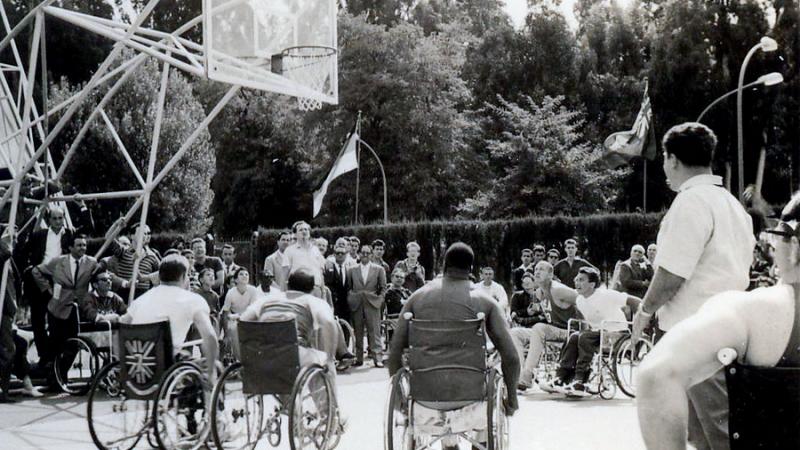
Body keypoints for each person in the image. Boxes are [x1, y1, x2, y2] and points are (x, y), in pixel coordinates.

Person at [637, 192, 800, 450]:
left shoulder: (753, 311)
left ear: (793, 248)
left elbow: (655, 376)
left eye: (776, 238)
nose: (771, 246)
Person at [631, 122, 755, 450]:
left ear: (672, 159)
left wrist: (644, 311)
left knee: (715, 434)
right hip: (729, 325)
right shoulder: (732, 205)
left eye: (665, 162)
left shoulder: (690, 202)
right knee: (708, 433)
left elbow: (672, 273)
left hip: (694, 333)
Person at [387, 242, 519, 450]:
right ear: (471, 269)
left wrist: (401, 402)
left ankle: (449, 444)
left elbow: (394, 353)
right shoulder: (485, 301)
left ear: (443, 265)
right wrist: (512, 399)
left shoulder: (416, 298)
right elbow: (511, 357)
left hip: (424, 398)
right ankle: (478, 444)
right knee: (489, 379)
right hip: (471, 397)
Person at [120, 254, 218, 385]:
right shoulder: (193, 300)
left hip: (137, 367)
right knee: (212, 367)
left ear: (160, 276)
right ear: (184, 277)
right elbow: (210, 337)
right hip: (167, 366)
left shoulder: (141, 300)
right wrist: (211, 373)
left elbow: (121, 325)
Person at [544, 267, 640, 397]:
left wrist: (638, 326)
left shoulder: (606, 294)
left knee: (584, 338)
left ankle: (580, 380)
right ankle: (561, 377)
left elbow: (635, 301)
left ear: (592, 284)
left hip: (617, 333)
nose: (577, 282)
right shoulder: (580, 300)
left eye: (581, 280)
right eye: (576, 279)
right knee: (574, 337)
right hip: (598, 334)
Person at [32, 233, 99, 392]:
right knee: (55, 345)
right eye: (79, 245)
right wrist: (48, 291)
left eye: (84, 245)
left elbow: (102, 274)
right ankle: (54, 379)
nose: (82, 248)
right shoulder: (58, 261)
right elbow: (36, 271)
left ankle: (60, 376)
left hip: (77, 308)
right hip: (57, 308)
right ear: (70, 247)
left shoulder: (91, 262)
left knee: (74, 344)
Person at [510, 260, 580, 391]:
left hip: (570, 331)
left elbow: (584, 299)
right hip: (553, 329)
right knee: (515, 333)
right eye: (536, 269)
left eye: (541, 269)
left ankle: (527, 374)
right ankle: (521, 373)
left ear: (550, 274)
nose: (537, 271)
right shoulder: (538, 293)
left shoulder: (559, 290)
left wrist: (586, 326)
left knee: (539, 328)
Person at [347, 245, 386, 367]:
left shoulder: (379, 269)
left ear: (371, 255)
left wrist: (379, 300)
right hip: (357, 302)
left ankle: (377, 358)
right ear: (359, 254)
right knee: (358, 330)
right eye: (362, 252)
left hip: (372, 302)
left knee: (374, 330)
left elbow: (383, 287)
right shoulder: (352, 269)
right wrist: (351, 297)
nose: (365, 255)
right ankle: (358, 358)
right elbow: (349, 286)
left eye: (367, 253)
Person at [284, 221, 326, 298]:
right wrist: (283, 293)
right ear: (295, 234)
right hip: (297, 291)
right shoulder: (289, 250)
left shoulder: (316, 250)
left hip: (316, 290)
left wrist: (323, 292)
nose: (304, 231)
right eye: (300, 230)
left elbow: (320, 273)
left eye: (306, 229)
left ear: (309, 233)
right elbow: (285, 274)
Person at [324, 242, 351, 323]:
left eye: (342, 253)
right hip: (333, 303)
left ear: (346, 255)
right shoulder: (328, 268)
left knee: (346, 329)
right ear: (334, 254)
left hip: (346, 305)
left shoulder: (349, 268)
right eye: (337, 253)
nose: (340, 255)